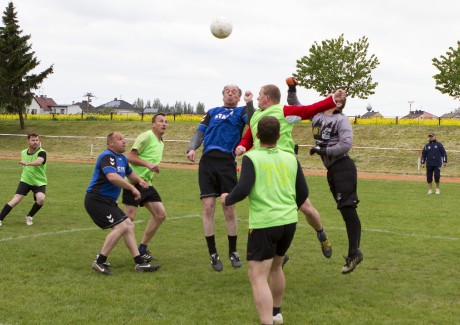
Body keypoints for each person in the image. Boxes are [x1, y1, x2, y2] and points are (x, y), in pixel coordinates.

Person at [235, 83, 347, 259]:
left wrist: (332, 99)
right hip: (263, 166)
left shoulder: (284, 112)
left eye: (259, 95)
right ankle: (278, 251)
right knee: (267, 206)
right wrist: (242, 146)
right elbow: (249, 136)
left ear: (267, 98)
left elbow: (310, 110)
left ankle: (321, 234)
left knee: (305, 207)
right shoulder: (256, 115)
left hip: (285, 166)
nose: (257, 98)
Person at [222, 116, 307, 325]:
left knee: (257, 275)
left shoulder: (252, 158)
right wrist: (286, 209)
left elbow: (243, 188)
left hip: (265, 223)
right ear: (279, 136)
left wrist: (227, 198)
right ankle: (277, 313)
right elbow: (303, 192)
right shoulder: (291, 158)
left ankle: (267, 321)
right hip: (289, 221)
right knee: (277, 267)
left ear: (257, 135)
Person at [286, 82, 363, 274]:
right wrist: (292, 89)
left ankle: (355, 252)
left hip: (343, 166)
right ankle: (354, 252)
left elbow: (346, 145)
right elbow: (296, 106)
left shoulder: (341, 120)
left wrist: (324, 150)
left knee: (348, 208)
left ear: (339, 104)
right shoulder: (317, 115)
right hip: (332, 170)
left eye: (338, 98)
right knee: (344, 209)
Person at [187, 84, 254, 272]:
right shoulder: (212, 111)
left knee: (228, 206)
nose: (230, 93)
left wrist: (249, 103)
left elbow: (254, 122)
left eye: (234, 92)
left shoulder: (241, 111)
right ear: (222, 95)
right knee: (208, 206)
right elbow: (199, 132)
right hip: (207, 162)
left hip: (226, 163)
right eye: (227, 91)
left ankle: (233, 251)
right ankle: (213, 253)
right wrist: (192, 147)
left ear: (239, 97)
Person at [85, 131, 160, 275]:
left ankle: (139, 263)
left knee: (128, 226)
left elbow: (129, 173)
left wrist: (140, 181)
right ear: (110, 143)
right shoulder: (107, 156)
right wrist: (132, 188)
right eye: (120, 139)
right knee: (120, 227)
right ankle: (100, 261)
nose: (124, 141)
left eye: (124, 139)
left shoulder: (122, 159)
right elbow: (112, 177)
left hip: (108, 201)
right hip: (96, 200)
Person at [122, 113, 168, 262]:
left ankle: (142, 249)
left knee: (160, 214)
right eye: (161, 121)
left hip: (147, 183)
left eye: (166, 122)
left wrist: (152, 168)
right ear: (153, 124)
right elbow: (130, 157)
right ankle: (103, 254)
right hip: (133, 181)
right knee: (128, 220)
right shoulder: (146, 136)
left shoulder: (161, 143)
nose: (164, 124)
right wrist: (148, 164)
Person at [0, 133, 47, 227]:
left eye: (37, 140)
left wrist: (27, 163)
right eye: (33, 140)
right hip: (25, 181)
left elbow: (39, 162)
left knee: (41, 199)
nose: (35, 142)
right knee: (16, 200)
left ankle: (29, 216)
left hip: (39, 182)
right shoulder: (23, 152)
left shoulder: (42, 152)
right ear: (28, 141)